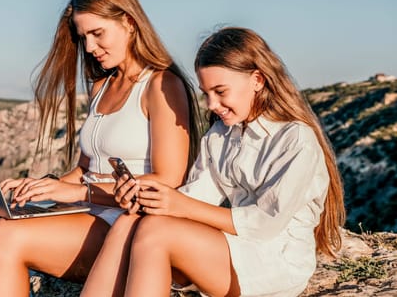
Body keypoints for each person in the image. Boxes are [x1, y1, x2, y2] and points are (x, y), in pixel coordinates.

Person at [0, 0, 203, 297]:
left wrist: (78, 193)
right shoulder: (101, 88)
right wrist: (41, 185)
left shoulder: (160, 85)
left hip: (127, 220)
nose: (89, 47)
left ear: (129, 22)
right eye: (83, 37)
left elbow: (168, 180)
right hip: (88, 213)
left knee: (7, 237)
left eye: (97, 33)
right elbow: (83, 169)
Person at [112, 26, 345, 296]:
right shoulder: (220, 136)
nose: (211, 104)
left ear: (257, 80)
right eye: (206, 93)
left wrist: (181, 205)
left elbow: (264, 223)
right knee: (131, 222)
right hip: (234, 246)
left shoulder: (295, 139)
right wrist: (148, 199)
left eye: (220, 91)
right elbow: (195, 198)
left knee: (155, 233)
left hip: (276, 260)